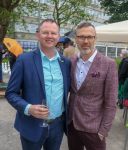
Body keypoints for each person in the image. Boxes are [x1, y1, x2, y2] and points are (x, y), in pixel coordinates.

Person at [5, 19, 71, 150]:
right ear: (38, 35)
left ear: (58, 36)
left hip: (57, 124)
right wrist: (28, 108)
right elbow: (11, 93)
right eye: (45, 32)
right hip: (31, 125)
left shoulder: (66, 62)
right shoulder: (24, 60)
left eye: (53, 33)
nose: (49, 36)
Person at [68, 22, 118, 150]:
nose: (85, 41)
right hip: (72, 124)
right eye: (81, 37)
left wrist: (103, 131)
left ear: (95, 39)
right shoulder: (71, 61)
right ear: (76, 39)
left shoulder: (108, 64)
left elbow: (111, 101)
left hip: (94, 129)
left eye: (90, 37)